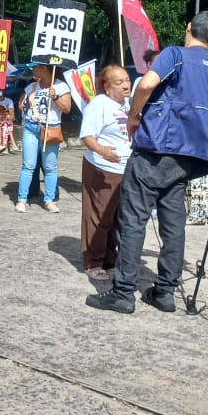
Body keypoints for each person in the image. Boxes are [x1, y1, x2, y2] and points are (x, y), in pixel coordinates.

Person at [87, 11, 208, 315]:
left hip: (157, 148)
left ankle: (123, 292)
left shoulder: (175, 54)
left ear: (188, 27)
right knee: (174, 223)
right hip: (188, 155)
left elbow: (147, 84)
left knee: (133, 220)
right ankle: (164, 291)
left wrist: (134, 115)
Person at [79, 65, 133, 279]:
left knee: (118, 218)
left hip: (126, 169)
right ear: (107, 87)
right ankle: (93, 261)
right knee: (99, 217)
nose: (126, 85)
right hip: (102, 168)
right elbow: (87, 136)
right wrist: (103, 151)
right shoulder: (99, 104)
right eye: (119, 82)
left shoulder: (129, 104)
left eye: (127, 80)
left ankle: (110, 258)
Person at [15, 63, 73, 213]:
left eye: (36, 67)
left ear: (45, 69)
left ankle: (49, 200)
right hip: (31, 127)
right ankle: (22, 199)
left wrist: (56, 97)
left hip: (50, 128)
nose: (33, 70)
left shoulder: (61, 87)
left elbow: (67, 108)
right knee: (28, 164)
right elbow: (20, 105)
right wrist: (25, 105)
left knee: (50, 167)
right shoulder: (32, 87)